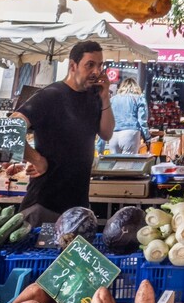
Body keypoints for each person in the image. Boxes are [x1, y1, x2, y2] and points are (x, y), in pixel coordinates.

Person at [15, 41, 115, 225]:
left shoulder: (94, 96)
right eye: (90, 65)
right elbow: (10, 127)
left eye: (100, 65)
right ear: (72, 66)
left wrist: (105, 96)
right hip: (44, 205)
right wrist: (36, 159)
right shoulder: (51, 95)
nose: (96, 71)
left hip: (78, 207)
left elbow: (106, 134)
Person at [107, 78, 149, 154]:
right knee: (128, 164)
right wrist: (147, 137)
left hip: (113, 134)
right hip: (130, 133)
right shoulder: (139, 98)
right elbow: (142, 121)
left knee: (114, 164)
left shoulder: (112, 99)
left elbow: (107, 119)